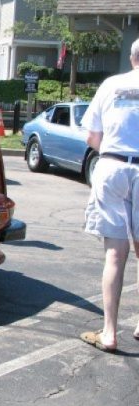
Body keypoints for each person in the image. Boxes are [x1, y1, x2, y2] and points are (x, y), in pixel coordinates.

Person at [80, 37, 139, 353]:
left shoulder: (110, 86)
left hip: (113, 166)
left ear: (132, 58)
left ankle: (110, 333)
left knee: (115, 255)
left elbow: (92, 136)